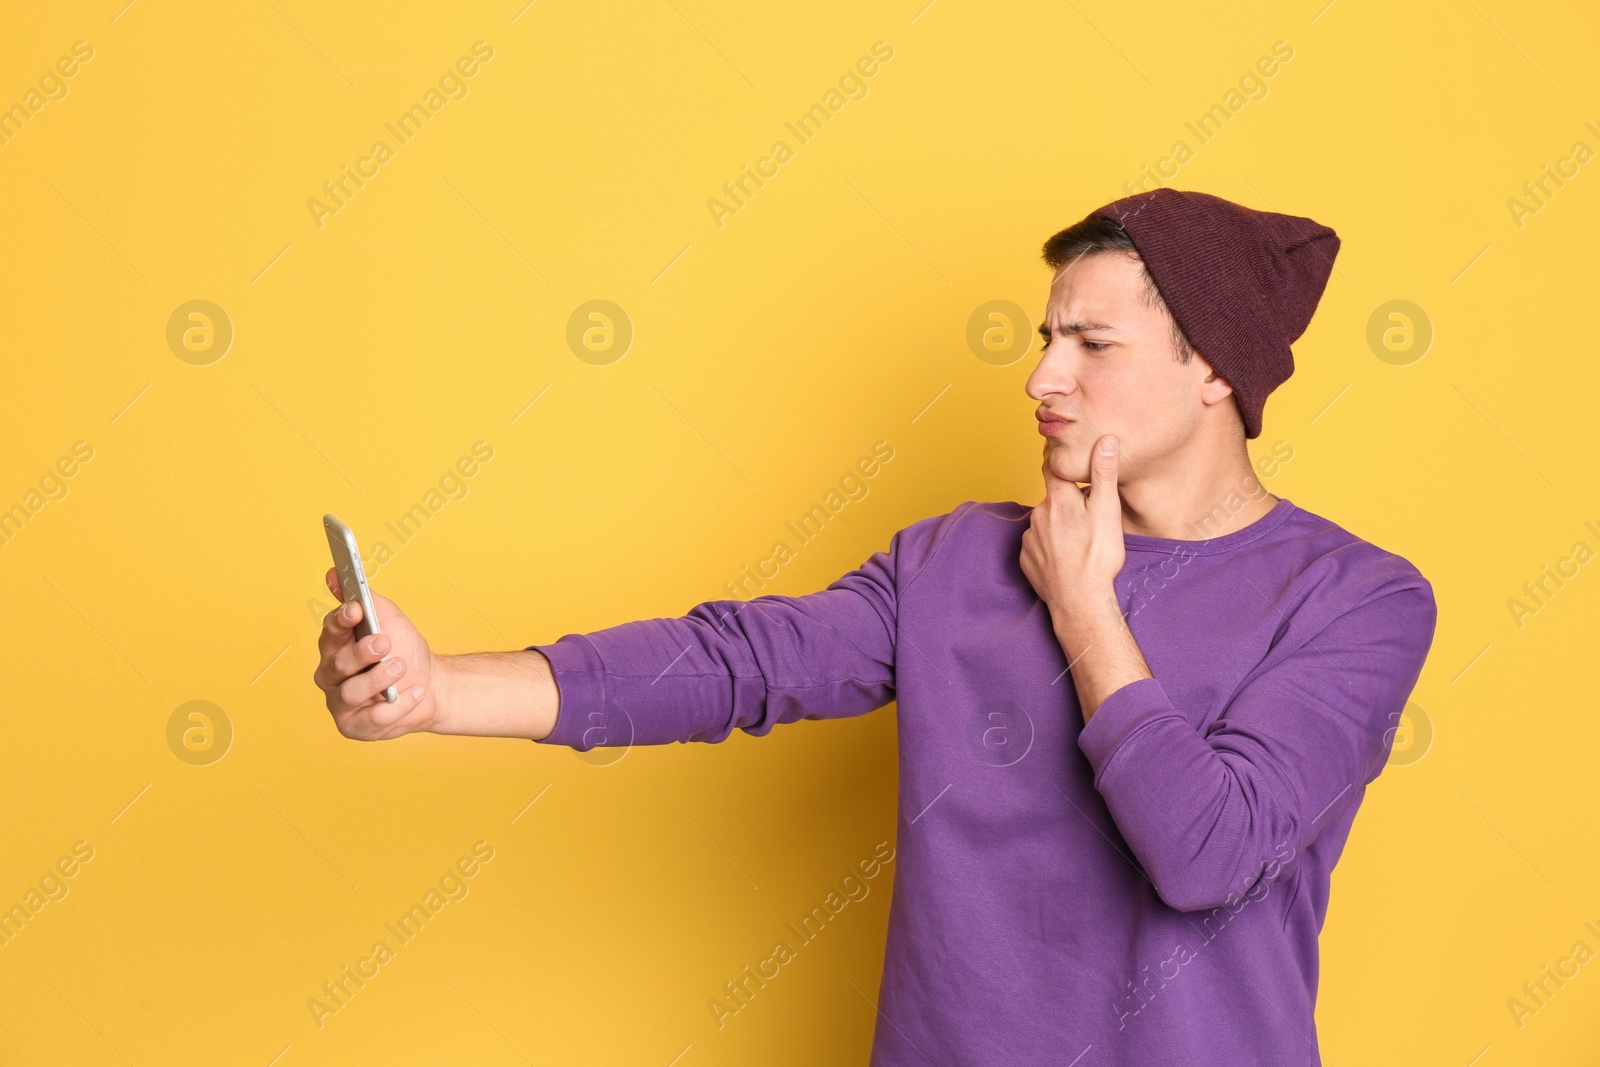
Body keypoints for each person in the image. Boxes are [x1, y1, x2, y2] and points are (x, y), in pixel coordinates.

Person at [313, 187, 1437, 1065]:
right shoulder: (955, 560)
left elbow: (1208, 852)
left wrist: (1084, 604)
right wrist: (437, 690)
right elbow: (733, 662)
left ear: (1212, 371)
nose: (1042, 375)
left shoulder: (1356, 598)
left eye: (1092, 345)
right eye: (1044, 337)